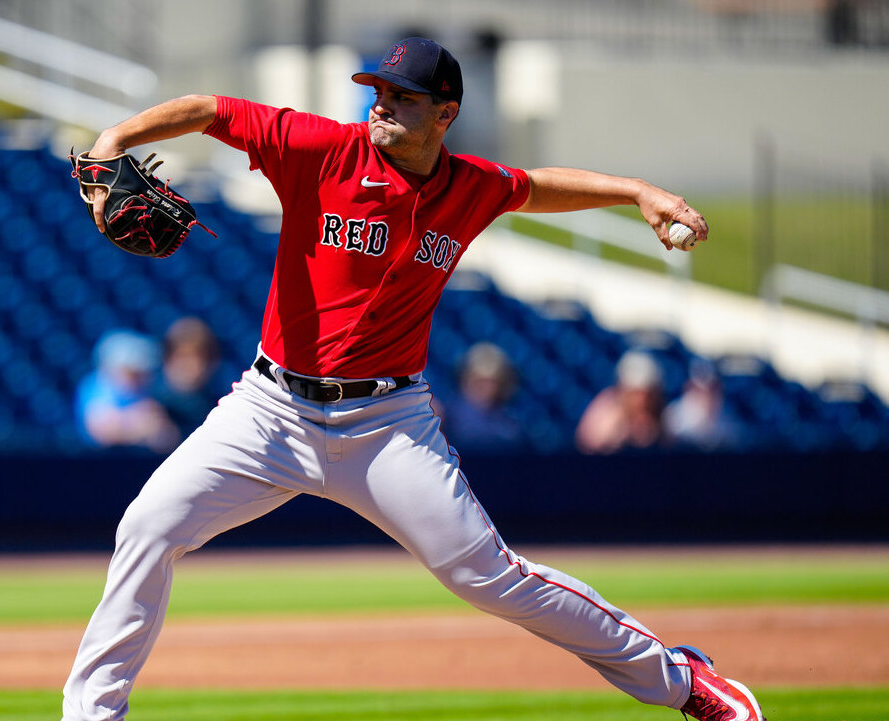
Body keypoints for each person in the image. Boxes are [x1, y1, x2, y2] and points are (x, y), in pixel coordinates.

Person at [61, 37, 761, 721]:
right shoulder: (320, 150)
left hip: (386, 426)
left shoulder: (471, 187)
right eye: (378, 91)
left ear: (445, 112)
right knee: (147, 527)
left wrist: (638, 191)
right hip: (269, 410)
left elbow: (537, 187)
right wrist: (115, 136)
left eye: (403, 97)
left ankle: (682, 680)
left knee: (490, 577)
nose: (382, 104)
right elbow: (210, 109)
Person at [76, 329, 181, 453]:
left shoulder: (143, 392)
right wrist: (139, 425)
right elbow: (100, 429)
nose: (138, 378)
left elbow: (166, 436)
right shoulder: (96, 385)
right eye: (131, 372)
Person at [438, 341, 526, 451]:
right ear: (464, 380)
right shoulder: (446, 418)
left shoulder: (507, 423)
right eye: (479, 382)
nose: (485, 388)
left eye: (491, 382)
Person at [576, 349, 667, 454]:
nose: (641, 400)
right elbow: (588, 443)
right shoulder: (607, 408)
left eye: (647, 394)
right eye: (635, 393)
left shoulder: (660, 412)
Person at [152, 316, 223, 439]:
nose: (192, 365)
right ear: (167, 359)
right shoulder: (150, 404)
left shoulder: (220, 407)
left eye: (200, 358)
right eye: (182, 356)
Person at [663, 358, 740, 451]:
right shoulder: (673, 416)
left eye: (711, 390)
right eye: (700, 390)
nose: (707, 396)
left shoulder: (727, 417)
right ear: (689, 387)